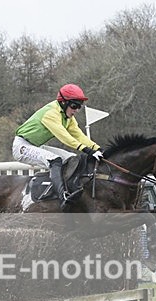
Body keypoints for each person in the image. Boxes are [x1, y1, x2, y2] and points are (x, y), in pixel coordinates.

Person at [13, 83, 103, 211]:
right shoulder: (51, 113)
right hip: (21, 146)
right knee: (55, 160)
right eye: (74, 106)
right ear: (63, 103)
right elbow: (64, 137)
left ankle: (71, 189)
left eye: (79, 106)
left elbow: (79, 136)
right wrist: (87, 150)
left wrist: (98, 148)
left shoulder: (68, 117)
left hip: (36, 146)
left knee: (73, 159)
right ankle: (63, 196)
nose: (76, 110)